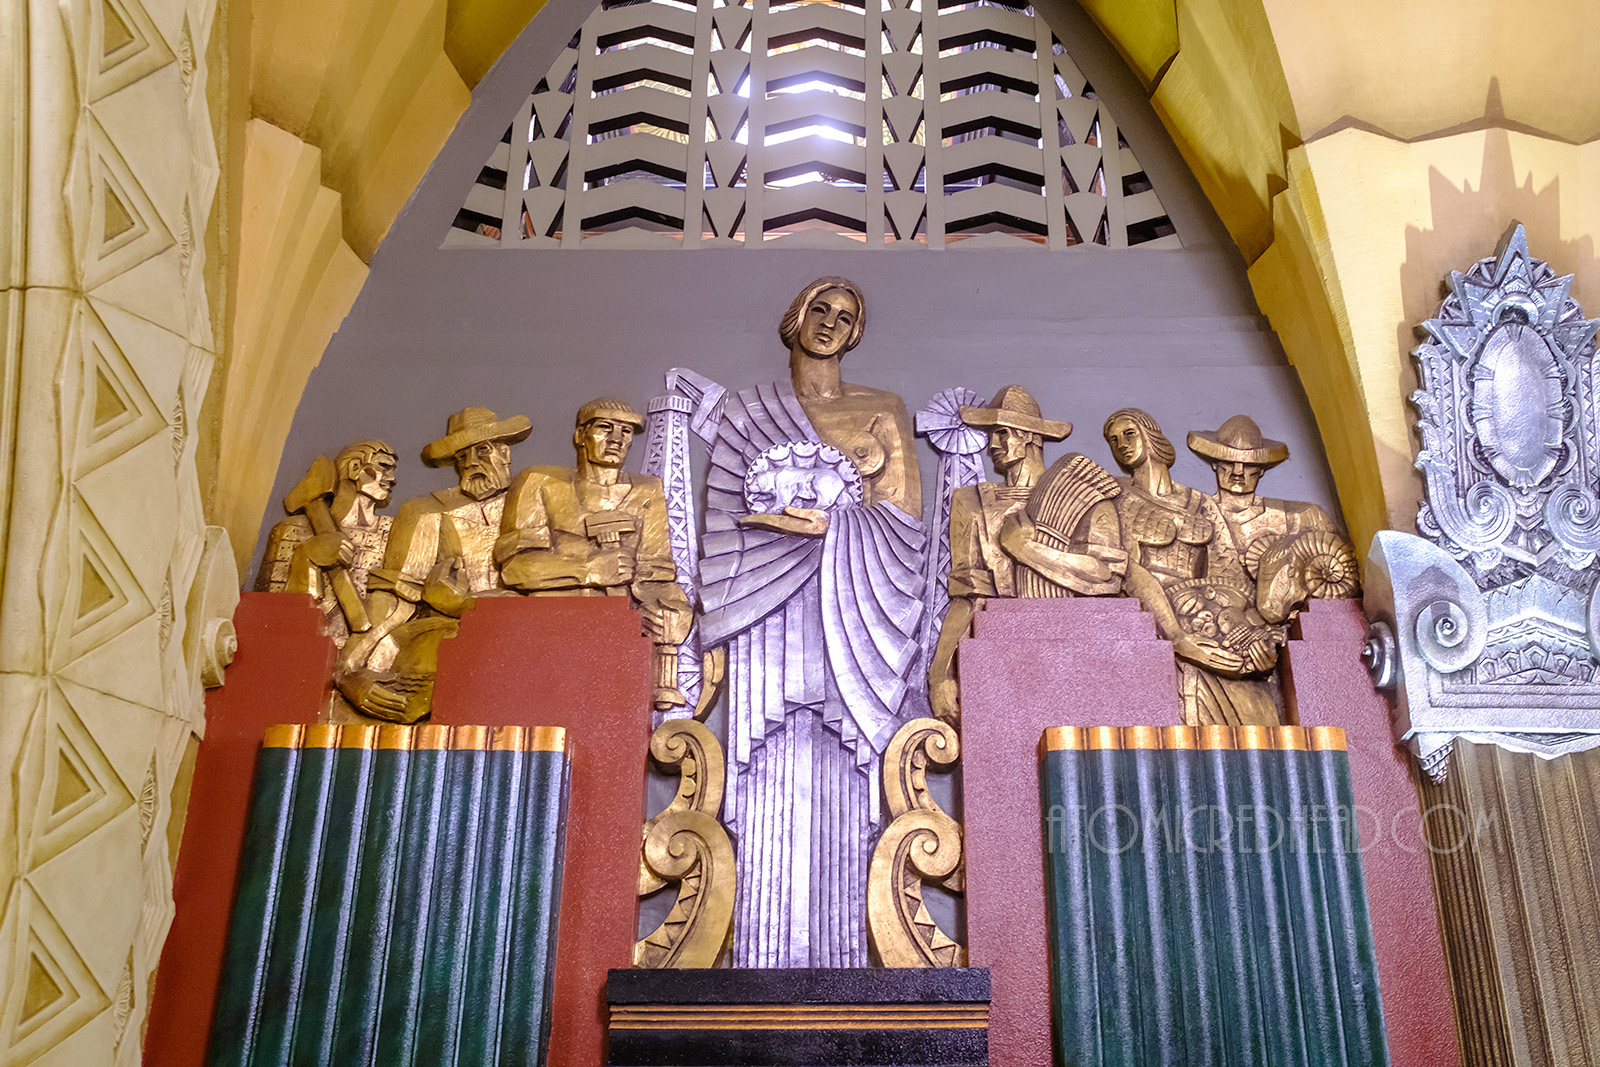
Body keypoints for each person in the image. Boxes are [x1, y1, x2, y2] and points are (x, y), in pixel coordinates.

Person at [697, 276, 925, 968]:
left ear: (856, 333)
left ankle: (843, 956)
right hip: (763, 612)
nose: (830, 323)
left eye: (845, 316)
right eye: (820, 310)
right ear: (795, 319)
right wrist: (778, 530)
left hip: (852, 609)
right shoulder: (745, 412)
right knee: (764, 765)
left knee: (847, 771)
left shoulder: (882, 409)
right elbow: (718, 530)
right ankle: (755, 954)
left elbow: (906, 526)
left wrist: (830, 524)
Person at [927, 385, 1124, 724]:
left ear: (1030, 436)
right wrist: (939, 675)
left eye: (1002, 434)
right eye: (991, 435)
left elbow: (1105, 576)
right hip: (1001, 654)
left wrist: (1025, 549)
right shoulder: (971, 502)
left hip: (1080, 654)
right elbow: (965, 596)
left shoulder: (1085, 495)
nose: (992, 445)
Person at [496, 397, 693, 709]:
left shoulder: (647, 491)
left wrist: (674, 609)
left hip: (615, 645)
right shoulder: (539, 481)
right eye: (605, 428)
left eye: (626, 432)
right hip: (545, 638)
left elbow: (656, 576)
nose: (617, 439)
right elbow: (515, 569)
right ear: (580, 436)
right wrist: (588, 568)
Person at [337, 406, 530, 721]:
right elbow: (390, 601)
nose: (471, 463)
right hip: (438, 653)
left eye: (482, 450)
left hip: (521, 656)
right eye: (461, 456)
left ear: (504, 452)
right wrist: (350, 673)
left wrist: (463, 603)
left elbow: (549, 601)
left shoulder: (534, 508)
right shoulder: (426, 512)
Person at [1102, 407, 1280, 726]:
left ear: (1151, 433)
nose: (1122, 444)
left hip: (1207, 621)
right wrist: (1176, 635)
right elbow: (1127, 571)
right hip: (1147, 626)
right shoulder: (1115, 498)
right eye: (1113, 440)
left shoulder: (1199, 502)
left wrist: (1253, 643)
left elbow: (1229, 578)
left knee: (1256, 721)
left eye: (1129, 433)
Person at [1188, 414, 1358, 623]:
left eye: (1249, 464)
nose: (1238, 472)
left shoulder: (1301, 517)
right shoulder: (1194, 515)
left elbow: (1338, 584)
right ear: (1215, 463)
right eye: (1229, 462)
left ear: (1261, 469)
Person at [255, 440, 396, 645]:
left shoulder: (391, 532)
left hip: (372, 648)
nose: (392, 479)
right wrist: (306, 558)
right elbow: (271, 613)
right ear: (355, 468)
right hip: (305, 649)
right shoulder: (294, 530)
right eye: (383, 467)